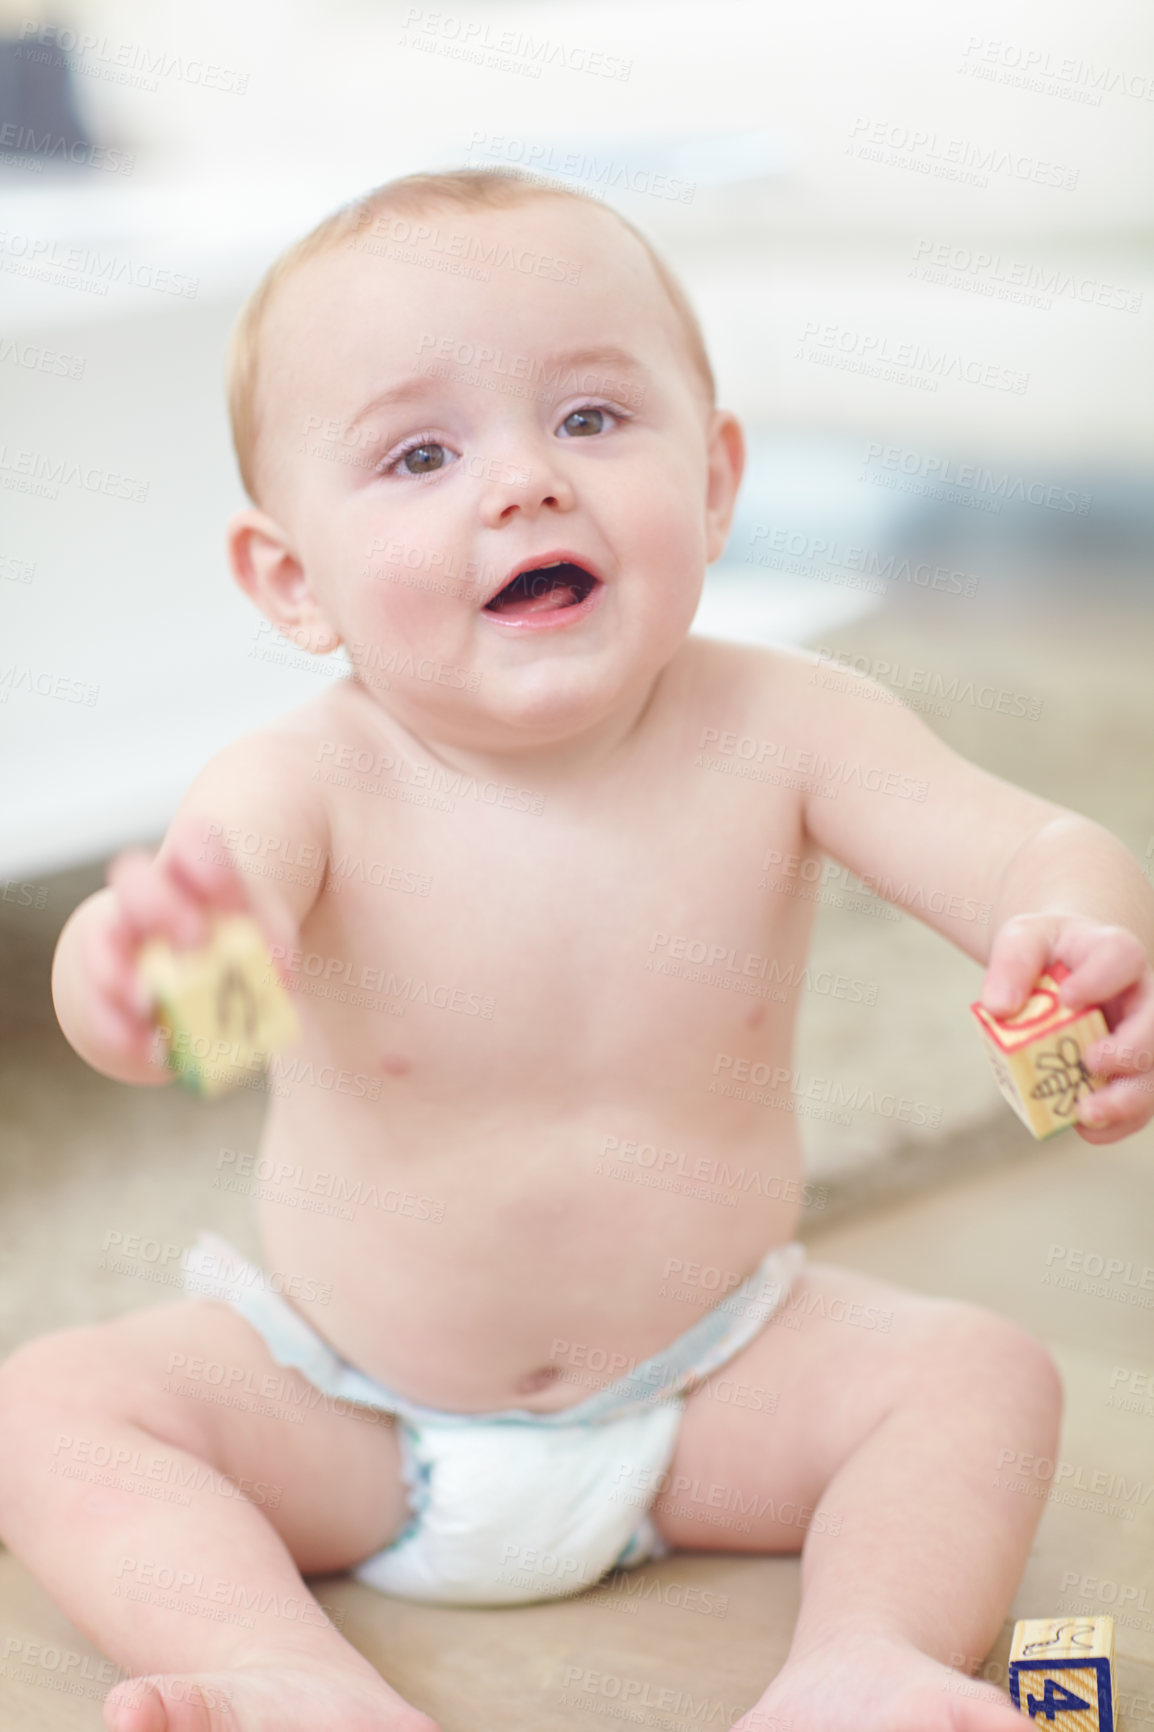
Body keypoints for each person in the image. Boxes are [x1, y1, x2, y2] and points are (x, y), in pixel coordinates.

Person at [6, 168, 1153, 1732]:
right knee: (51, 1409)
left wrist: (1081, 939)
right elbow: (165, 1009)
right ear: (294, 581)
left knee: (979, 1380)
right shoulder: (306, 782)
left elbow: (1027, 849)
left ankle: (856, 1662)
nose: (524, 485)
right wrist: (139, 969)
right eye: (420, 454)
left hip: (709, 1392)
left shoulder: (791, 728)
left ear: (719, 480)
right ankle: (285, 1676)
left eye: (593, 422)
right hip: (346, 1410)